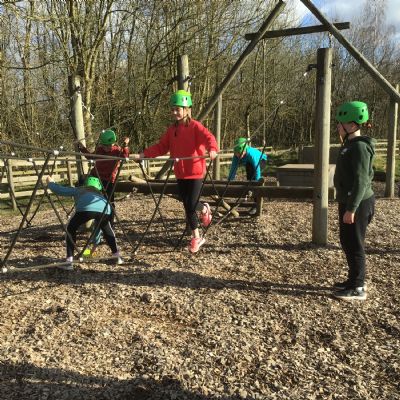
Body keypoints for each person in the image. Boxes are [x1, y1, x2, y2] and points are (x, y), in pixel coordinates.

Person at [133, 90, 218, 253]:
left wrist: (212, 149)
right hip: (180, 172)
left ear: (187, 109)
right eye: (172, 109)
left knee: (191, 204)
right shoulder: (172, 130)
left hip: (195, 172)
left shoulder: (195, 126)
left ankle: (202, 218)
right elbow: (161, 147)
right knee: (187, 205)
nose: (174, 112)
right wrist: (144, 155)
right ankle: (198, 232)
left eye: (177, 109)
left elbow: (209, 137)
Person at [333, 101, 375, 301]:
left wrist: (352, 208)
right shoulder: (349, 144)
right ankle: (353, 280)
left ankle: (358, 287)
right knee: (346, 240)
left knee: (354, 243)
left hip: (357, 202)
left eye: (340, 123)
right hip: (348, 200)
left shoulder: (359, 147)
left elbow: (361, 180)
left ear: (351, 125)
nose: (337, 126)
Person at [47, 175, 122, 270]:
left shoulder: (80, 189)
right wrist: (95, 244)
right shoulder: (100, 194)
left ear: (84, 184)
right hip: (105, 208)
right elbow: (97, 228)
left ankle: (69, 262)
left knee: (70, 229)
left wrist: (50, 182)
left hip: (85, 208)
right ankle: (117, 256)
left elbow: (60, 190)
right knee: (107, 229)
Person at [77, 129, 130, 223]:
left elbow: (125, 156)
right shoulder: (99, 150)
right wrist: (82, 148)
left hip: (108, 180)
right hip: (96, 177)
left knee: (109, 202)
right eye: (105, 145)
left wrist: (125, 145)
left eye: (109, 145)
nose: (107, 148)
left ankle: (109, 221)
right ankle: (90, 217)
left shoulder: (117, 151)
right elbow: (90, 157)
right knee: (85, 187)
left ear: (113, 143)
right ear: (102, 144)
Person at [228, 137, 268, 215]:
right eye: (237, 154)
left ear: (245, 150)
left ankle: (256, 205)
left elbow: (257, 169)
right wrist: (229, 182)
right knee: (249, 178)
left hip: (261, 160)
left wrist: (257, 183)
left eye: (241, 154)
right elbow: (233, 169)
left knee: (252, 176)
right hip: (249, 164)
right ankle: (254, 200)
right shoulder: (235, 156)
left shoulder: (251, 154)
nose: (239, 156)